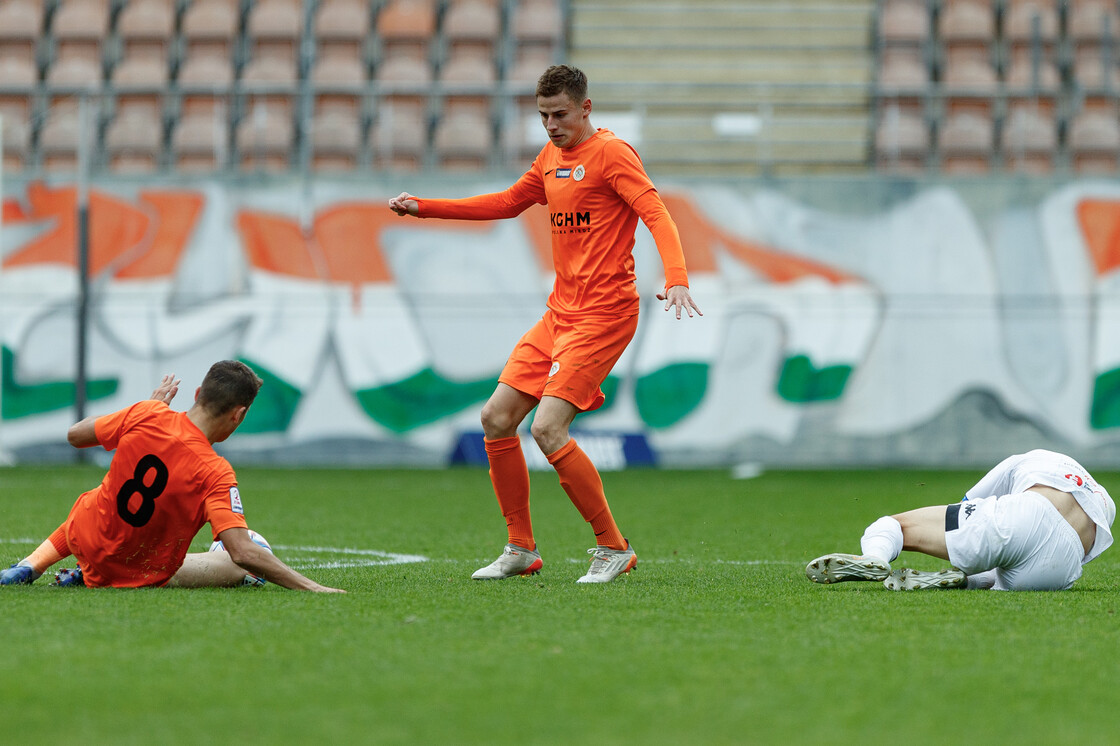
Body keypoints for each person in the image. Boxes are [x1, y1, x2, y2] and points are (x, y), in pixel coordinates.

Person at [388, 64, 701, 583]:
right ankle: (520, 548)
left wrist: (678, 276)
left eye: (559, 115)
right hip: (561, 313)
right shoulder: (550, 156)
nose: (551, 125)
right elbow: (508, 203)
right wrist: (425, 207)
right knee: (495, 419)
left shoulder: (613, 154)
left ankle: (614, 547)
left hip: (605, 314)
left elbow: (656, 212)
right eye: (543, 116)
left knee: (549, 428)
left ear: (586, 109)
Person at [1, 361, 344, 593]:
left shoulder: (146, 413)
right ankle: (90, 574)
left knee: (97, 497)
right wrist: (313, 587)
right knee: (244, 563)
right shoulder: (215, 471)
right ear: (239, 415)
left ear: (197, 394)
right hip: (133, 573)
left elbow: (76, 435)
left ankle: (30, 566)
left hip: (87, 539)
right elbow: (242, 552)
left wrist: (138, 411)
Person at [806, 449, 1115, 591]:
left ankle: (873, 558)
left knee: (893, 526)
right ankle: (965, 581)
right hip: (1064, 565)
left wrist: (961, 527)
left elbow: (968, 503)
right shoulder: (1106, 502)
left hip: (1028, 516)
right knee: (1002, 571)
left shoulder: (1028, 459)